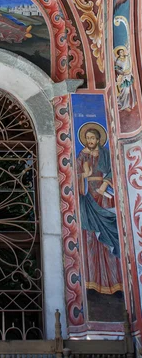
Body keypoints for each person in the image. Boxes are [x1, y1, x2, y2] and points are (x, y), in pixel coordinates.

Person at [77, 124, 123, 295]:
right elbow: (74, 174)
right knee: (90, 238)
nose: (90, 141)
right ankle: (91, 282)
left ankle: (115, 282)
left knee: (108, 239)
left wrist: (104, 185)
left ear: (98, 140)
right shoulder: (81, 155)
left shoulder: (105, 154)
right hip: (88, 198)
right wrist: (84, 175)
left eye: (92, 138)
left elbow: (113, 170)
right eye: (87, 138)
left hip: (103, 198)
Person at [114, 47, 137, 112]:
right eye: (121, 52)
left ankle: (128, 104)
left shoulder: (127, 57)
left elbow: (130, 56)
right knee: (125, 91)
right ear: (118, 53)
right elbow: (117, 69)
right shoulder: (118, 61)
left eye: (123, 51)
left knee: (130, 90)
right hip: (123, 77)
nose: (122, 53)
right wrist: (123, 73)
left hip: (129, 76)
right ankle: (124, 105)